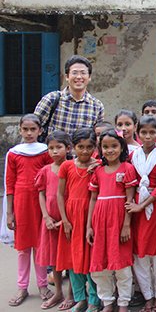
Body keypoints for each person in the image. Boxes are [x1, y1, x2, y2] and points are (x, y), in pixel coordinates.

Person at [86, 128, 138, 312]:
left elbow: (129, 200)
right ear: (100, 149)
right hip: (100, 222)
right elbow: (93, 199)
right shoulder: (98, 171)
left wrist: (126, 226)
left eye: (114, 146)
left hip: (119, 221)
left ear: (121, 147)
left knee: (121, 264)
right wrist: (89, 227)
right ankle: (107, 301)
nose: (110, 150)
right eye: (105, 147)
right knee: (100, 266)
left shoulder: (127, 169)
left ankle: (123, 302)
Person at [5, 114, 53, 306]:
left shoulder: (45, 153)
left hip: (40, 202)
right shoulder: (13, 153)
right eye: (25, 129)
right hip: (21, 203)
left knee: (40, 244)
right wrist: (10, 212)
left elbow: (51, 178)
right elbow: (9, 184)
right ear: (20, 130)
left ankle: (43, 285)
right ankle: (22, 287)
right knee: (23, 248)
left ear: (40, 131)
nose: (29, 133)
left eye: (33, 129)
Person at [125, 116, 156, 312]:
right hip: (136, 209)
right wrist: (135, 206)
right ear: (138, 133)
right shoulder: (133, 155)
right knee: (139, 254)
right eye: (143, 132)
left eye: (152, 132)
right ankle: (148, 297)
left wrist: (142, 205)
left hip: (153, 210)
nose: (147, 136)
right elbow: (130, 180)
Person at [57, 129, 100, 312]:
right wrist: (65, 221)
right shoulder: (66, 166)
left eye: (89, 147)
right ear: (72, 147)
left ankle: (94, 300)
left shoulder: (98, 165)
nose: (85, 151)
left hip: (90, 216)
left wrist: (97, 165)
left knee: (90, 259)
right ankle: (80, 298)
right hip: (72, 217)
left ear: (95, 147)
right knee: (74, 259)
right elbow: (60, 194)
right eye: (80, 147)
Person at [36, 130, 74, 310]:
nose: (54, 151)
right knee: (54, 258)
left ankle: (71, 293)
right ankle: (58, 291)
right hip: (50, 221)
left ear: (67, 148)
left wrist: (66, 219)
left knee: (71, 257)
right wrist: (46, 216)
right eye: (50, 148)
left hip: (68, 220)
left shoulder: (73, 167)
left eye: (58, 147)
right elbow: (41, 194)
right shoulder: (45, 170)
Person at [34, 55, 105, 137]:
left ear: (89, 77)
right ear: (67, 77)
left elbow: (98, 137)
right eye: (74, 73)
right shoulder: (51, 99)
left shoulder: (97, 106)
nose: (79, 77)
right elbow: (33, 127)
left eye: (83, 73)